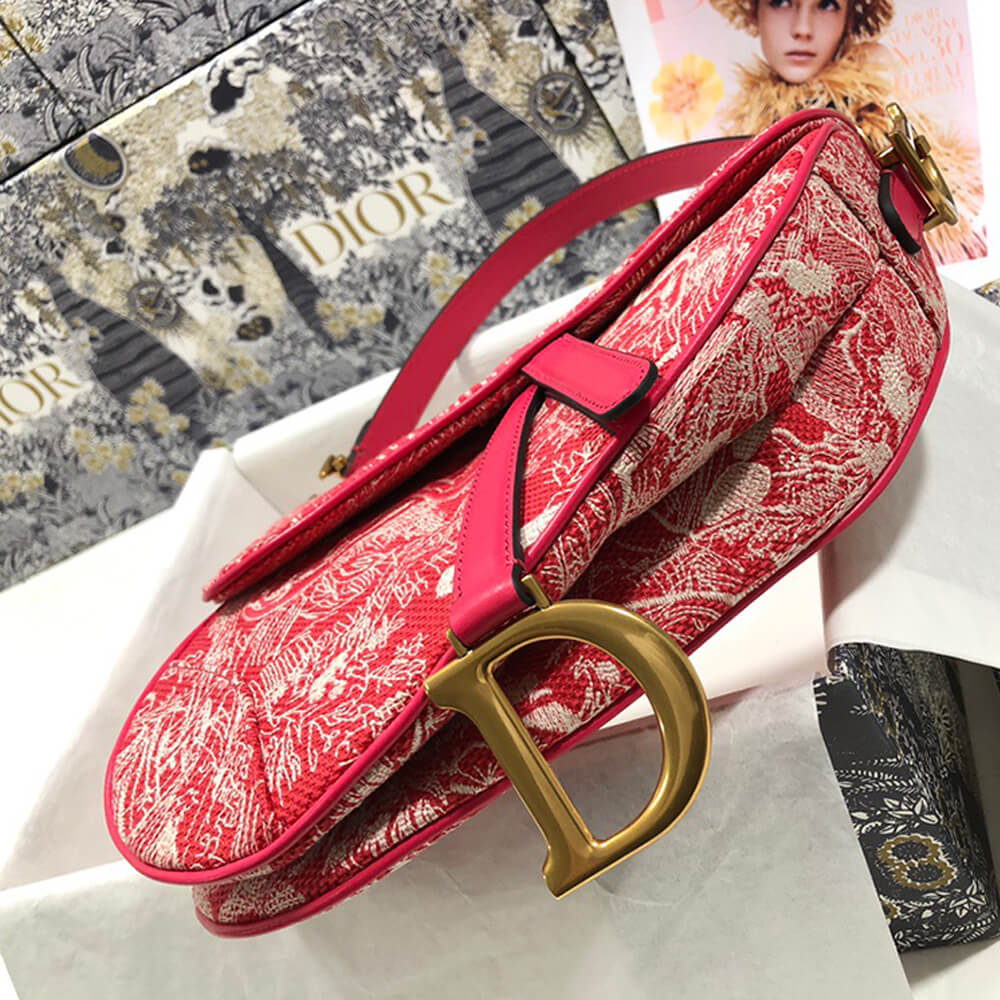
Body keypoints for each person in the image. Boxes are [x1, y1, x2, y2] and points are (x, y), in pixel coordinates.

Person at [709, 0, 984, 263]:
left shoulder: (876, 123)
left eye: (827, 4)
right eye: (781, 1)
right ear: (755, 10)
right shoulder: (740, 132)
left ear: (849, 17)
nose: (802, 29)